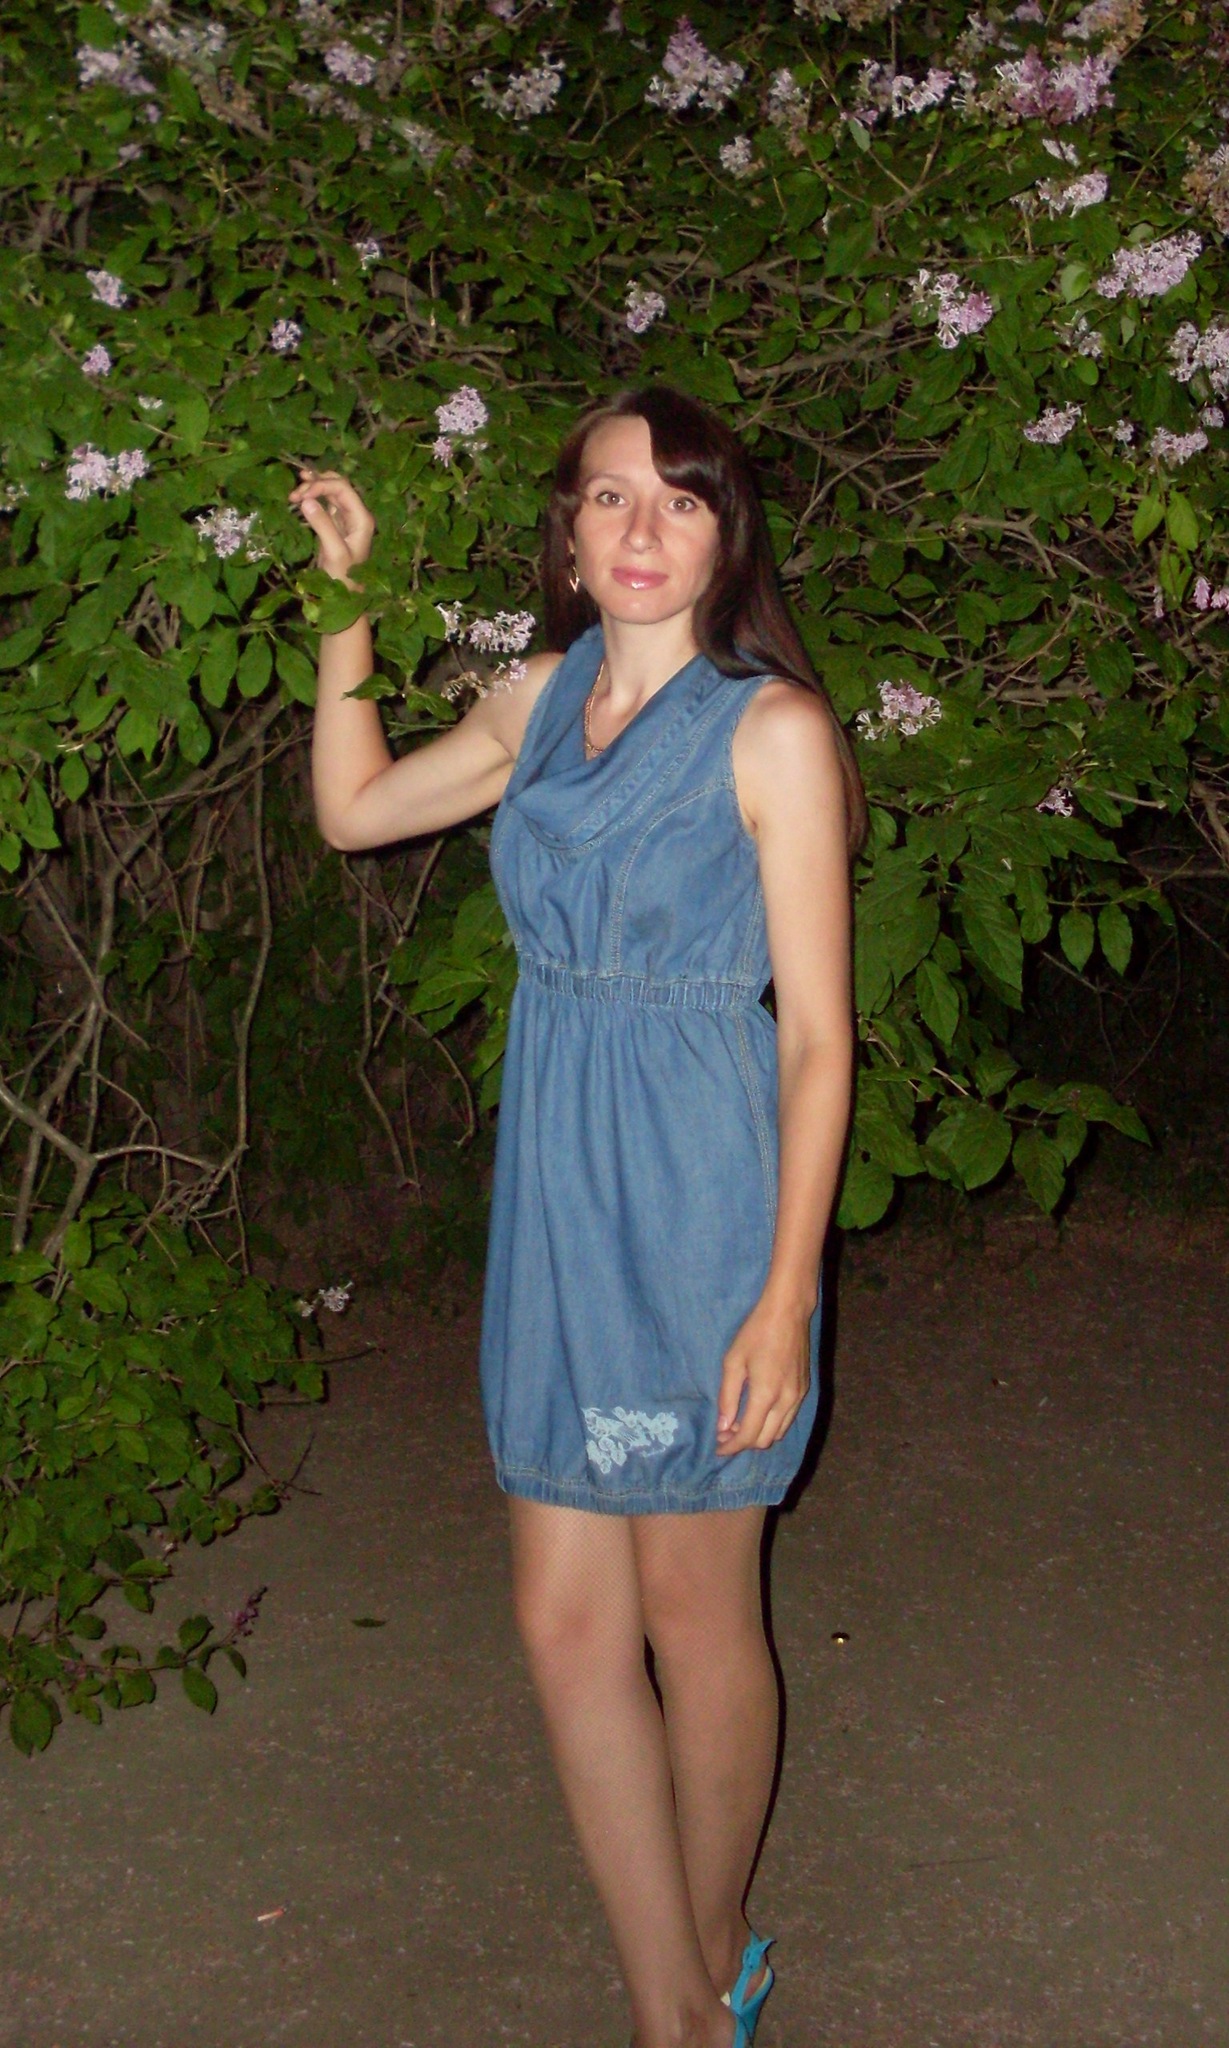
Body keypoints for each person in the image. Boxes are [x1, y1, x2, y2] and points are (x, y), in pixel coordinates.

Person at [293, 385, 863, 2048]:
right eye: (609, 497)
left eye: (678, 500)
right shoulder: (535, 699)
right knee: (561, 1622)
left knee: (694, 1609)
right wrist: (345, 608)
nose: (639, 528)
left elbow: (818, 1042)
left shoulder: (770, 730)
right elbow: (354, 810)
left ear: (723, 537)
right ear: (566, 532)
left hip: (699, 1198)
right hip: (557, 1186)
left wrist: (782, 1297)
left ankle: (713, 1947)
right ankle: (669, 2003)